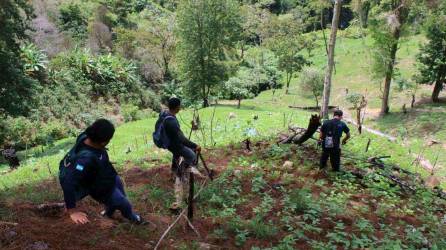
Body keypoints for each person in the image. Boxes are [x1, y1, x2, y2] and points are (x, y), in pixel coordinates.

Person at [59, 119, 145, 225]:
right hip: (100, 188)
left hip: (108, 175)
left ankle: (108, 213)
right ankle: (133, 218)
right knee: (123, 203)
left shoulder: (86, 136)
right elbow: (69, 181)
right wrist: (72, 210)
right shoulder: (85, 160)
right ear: (104, 142)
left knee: (121, 194)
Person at [154, 97, 202, 212]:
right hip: (174, 144)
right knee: (191, 156)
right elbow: (181, 139)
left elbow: (178, 135)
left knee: (177, 154)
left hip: (170, 142)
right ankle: (180, 173)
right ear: (177, 107)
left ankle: (174, 169)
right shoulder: (171, 121)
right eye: (179, 106)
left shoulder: (165, 113)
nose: (180, 107)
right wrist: (195, 145)